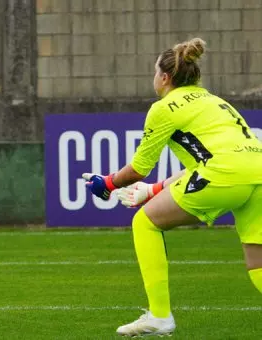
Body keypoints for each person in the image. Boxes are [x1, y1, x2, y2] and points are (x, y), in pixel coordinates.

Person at [82, 38, 262, 337]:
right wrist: (153, 191)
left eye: (155, 72)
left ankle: (160, 316)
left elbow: (139, 168)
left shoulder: (164, 108)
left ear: (164, 77)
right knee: (258, 261)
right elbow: (203, 162)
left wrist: (108, 183)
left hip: (224, 173)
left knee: (146, 223)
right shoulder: (214, 100)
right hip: (258, 172)